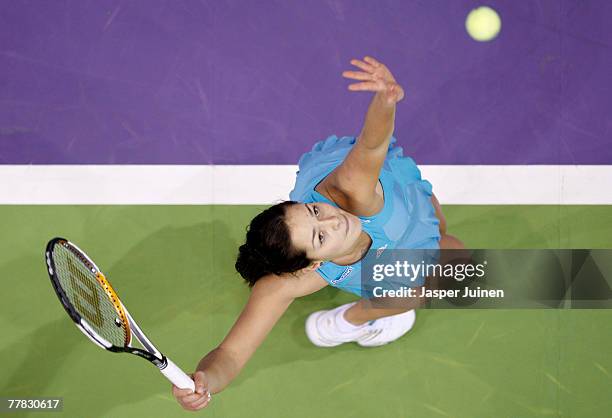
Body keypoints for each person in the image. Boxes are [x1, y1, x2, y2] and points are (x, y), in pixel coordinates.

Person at [172, 56, 464, 411]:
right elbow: (230, 355)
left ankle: (367, 308)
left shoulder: (349, 191)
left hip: (390, 200)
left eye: (313, 211)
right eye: (319, 237)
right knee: (443, 273)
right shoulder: (285, 284)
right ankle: (350, 320)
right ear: (309, 267)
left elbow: (372, 144)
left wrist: (386, 99)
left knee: (442, 234)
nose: (334, 220)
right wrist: (204, 381)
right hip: (371, 260)